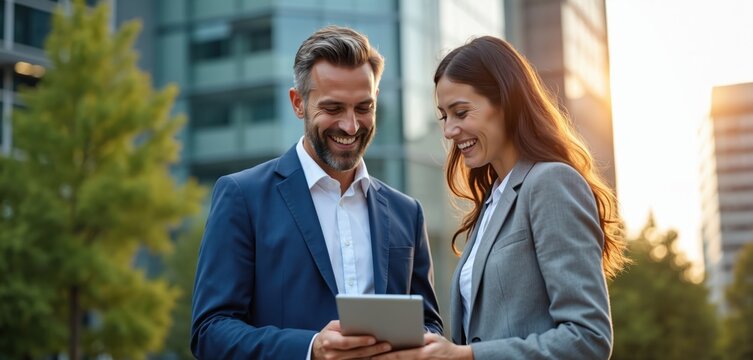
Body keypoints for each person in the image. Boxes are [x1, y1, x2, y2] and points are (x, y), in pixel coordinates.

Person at [190, 25, 443, 359]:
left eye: (363, 108)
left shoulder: (406, 212)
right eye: (334, 108)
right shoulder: (242, 197)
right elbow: (210, 331)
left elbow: (430, 326)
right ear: (298, 103)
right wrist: (310, 349)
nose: (351, 126)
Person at [375, 36, 627, 360]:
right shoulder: (492, 202)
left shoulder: (550, 183)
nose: (450, 130)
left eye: (461, 112)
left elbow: (588, 338)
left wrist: (466, 355)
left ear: (506, 102)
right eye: (444, 116)